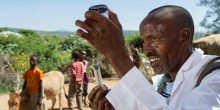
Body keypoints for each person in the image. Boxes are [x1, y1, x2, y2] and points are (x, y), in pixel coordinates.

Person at [75, 5, 220, 110]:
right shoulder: (160, 83)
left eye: (154, 38)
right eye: (144, 41)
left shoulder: (214, 77)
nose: (146, 50)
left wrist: (117, 56)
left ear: (184, 37)